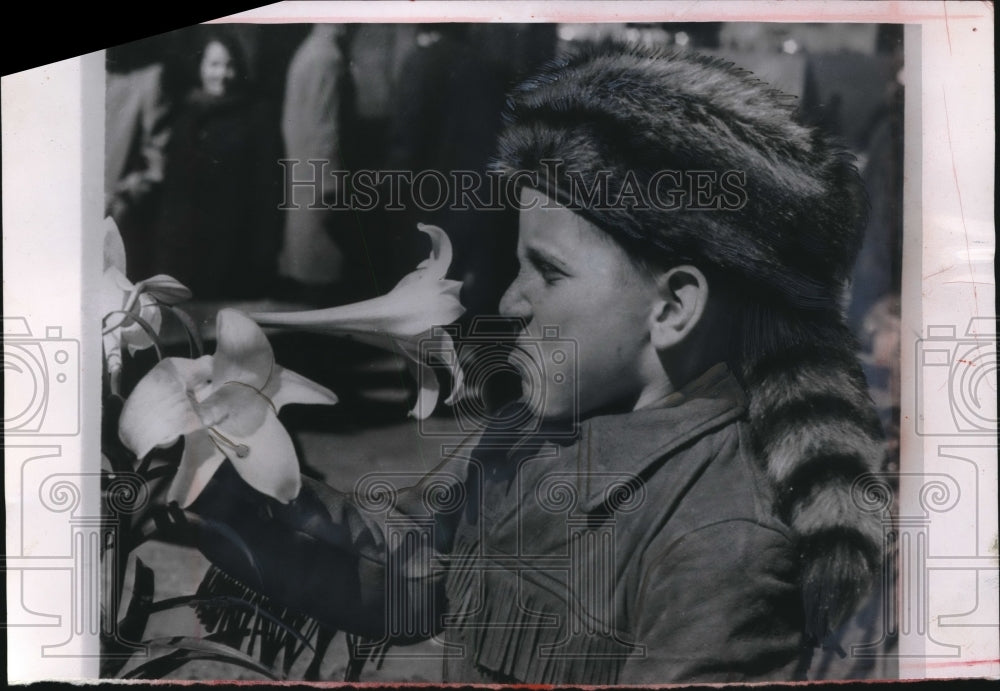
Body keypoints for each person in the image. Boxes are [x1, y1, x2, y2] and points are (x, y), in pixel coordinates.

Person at [189, 44, 887, 683]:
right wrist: (213, 478)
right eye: (518, 261)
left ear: (673, 306)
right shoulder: (532, 428)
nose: (508, 298)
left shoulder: (720, 539)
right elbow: (403, 564)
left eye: (547, 272)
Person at [151, 31, 282, 300]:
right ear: (200, 68)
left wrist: (262, 255)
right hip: (188, 258)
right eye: (214, 65)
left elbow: (267, 192)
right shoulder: (186, 116)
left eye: (230, 65)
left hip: (236, 256)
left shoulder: (257, 115)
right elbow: (173, 197)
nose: (222, 74)